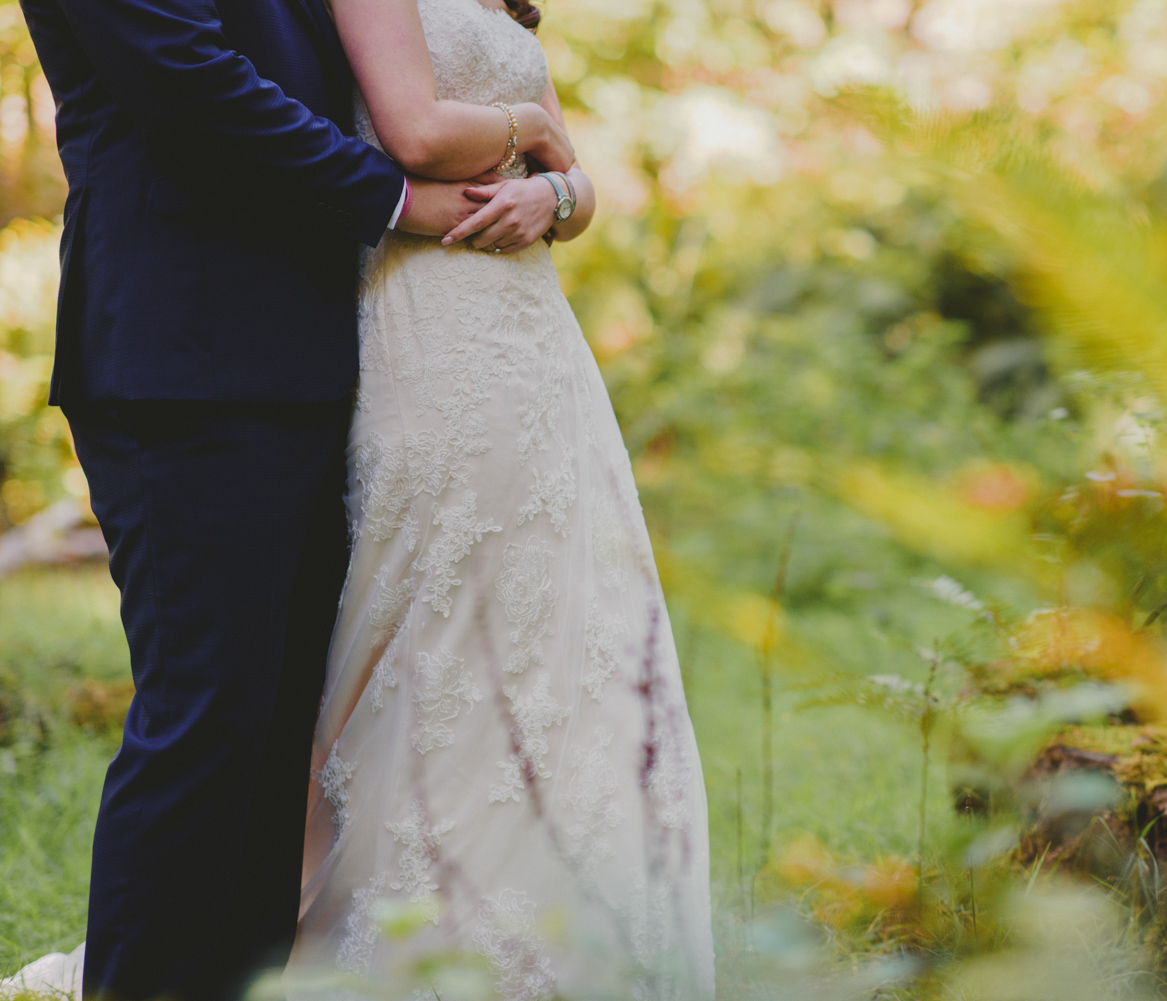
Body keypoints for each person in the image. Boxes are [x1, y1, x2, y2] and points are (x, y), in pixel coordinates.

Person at [13, 0, 713, 993]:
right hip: (182, 352)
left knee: (278, 726)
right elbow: (194, 90)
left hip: (319, 350)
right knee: (207, 713)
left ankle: (249, 979)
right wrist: (397, 199)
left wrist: (552, 182)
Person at [285, 0, 713, 994]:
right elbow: (417, 134)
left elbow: (581, 179)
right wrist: (533, 131)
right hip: (427, 311)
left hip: (534, 336)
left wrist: (557, 195)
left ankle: (553, 931)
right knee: (430, 607)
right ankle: (380, 934)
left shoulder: (502, 4)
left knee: (560, 615)